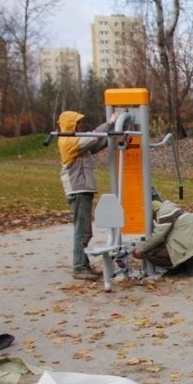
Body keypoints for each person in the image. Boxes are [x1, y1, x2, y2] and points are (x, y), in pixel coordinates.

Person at [57, 111, 115, 281]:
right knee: (82, 231)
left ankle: (84, 264)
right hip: (78, 189)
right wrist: (109, 123)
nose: (81, 126)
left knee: (84, 230)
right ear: (71, 126)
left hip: (83, 188)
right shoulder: (67, 141)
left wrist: (113, 132)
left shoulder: (76, 140)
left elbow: (98, 142)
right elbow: (93, 137)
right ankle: (79, 267)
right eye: (78, 123)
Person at [133, 199, 193, 274]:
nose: (154, 219)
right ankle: (187, 264)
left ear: (154, 212)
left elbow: (157, 237)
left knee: (149, 253)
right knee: (161, 247)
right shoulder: (172, 210)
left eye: (153, 217)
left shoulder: (164, 214)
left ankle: (179, 268)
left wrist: (141, 250)